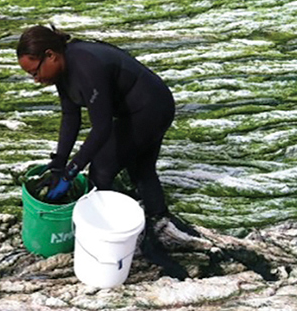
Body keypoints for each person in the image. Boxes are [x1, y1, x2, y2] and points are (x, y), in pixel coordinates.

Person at [17, 24, 197, 279]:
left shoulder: (86, 66)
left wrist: (71, 172)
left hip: (150, 108)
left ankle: (111, 235)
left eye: (35, 72)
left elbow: (101, 129)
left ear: (51, 55)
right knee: (140, 170)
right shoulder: (63, 70)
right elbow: (71, 117)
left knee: (102, 169)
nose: (36, 79)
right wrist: (58, 164)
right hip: (147, 106)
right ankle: (158, 221)